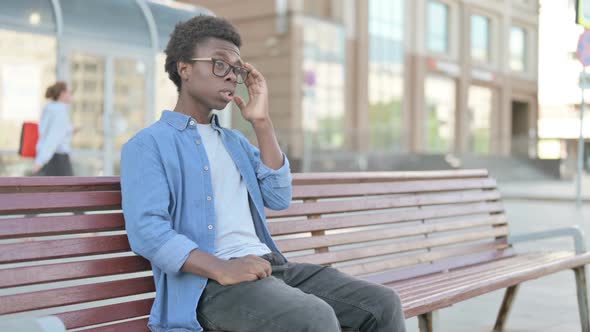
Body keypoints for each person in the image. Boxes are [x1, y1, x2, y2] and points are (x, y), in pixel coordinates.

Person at [120, 15, 407, 332]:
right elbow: (147, 231)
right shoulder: (149, 144)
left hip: (271, 268)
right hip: (209, 286)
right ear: (184, 68)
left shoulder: (235, 142)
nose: (231, 76)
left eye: (236, 69)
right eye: (220, 64)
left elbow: (279, 196)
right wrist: (220, 268)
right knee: (314, 317)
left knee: (382, 305)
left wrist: (261, 122)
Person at [32, 81, 74, 176]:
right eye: (70, 92)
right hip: (57, 160)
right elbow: (53, 138)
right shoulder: (60, 111)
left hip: (51, 158)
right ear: (62, 94)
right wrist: (40, 162)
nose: (72, 96)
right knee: (66, 189)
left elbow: (49, 132)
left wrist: (70, 129)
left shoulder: (49, 108)